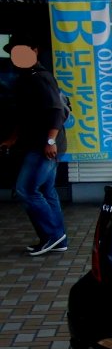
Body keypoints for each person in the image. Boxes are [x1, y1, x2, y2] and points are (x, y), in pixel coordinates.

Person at [1, 32, 69, 256]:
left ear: (35, 51)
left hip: (45, 145)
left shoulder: (41, 77)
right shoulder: (26, 78)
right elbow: (25, 115)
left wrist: (50, 140)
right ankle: (57, 238)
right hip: (37, 143)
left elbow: (56, 111)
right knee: (46, 190)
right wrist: (13, 137)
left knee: (27, 190)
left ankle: (52, 235)